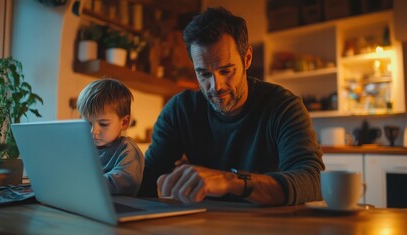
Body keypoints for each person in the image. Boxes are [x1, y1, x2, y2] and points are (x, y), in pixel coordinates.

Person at [138, 7, 324, 205]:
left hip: (267, 226)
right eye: (203, 74)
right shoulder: (180, 110)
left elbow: (313, 182)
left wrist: (234, 182)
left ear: (247, 59)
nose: (215, 86)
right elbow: (148, 178)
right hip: (202, 227)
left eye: (226, 71)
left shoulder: (284, 107)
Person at [77, 79, 144, 195]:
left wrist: (83, 183)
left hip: (118, 207)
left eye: (103, 124)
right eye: (88, 123)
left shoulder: (127, 150)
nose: (93, 131)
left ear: (124, 122)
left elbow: (125, 181)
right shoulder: (87, 147)